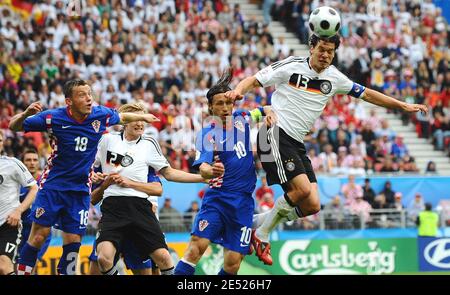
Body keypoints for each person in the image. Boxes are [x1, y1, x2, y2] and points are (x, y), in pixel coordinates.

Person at [225, 33, 428, 265]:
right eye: (321, 49)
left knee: (312, 205)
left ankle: (254, 223)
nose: (325, 55)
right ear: (311, 47)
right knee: (300, 190)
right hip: (273, 134)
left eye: (330, 51)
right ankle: (261, 235)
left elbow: (368, 94)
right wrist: (238, 91)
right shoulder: (291, 66)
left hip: (296, 143)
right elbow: (254, 79)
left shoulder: (335, 78)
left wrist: (402, 105)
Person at [8, 79, 159, 275]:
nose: (89, 99)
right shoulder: (53, 117)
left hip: (80, 191)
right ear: (69, 101)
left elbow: (122, 116)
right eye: (82, 95)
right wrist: (27, 114)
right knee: (38, 236)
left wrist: (145, 116)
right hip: (53, 186)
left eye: (90, 94)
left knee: (73, 242)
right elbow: (14, 126)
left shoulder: (100, 115)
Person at [174, 68, 272, 275]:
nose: (226, 108)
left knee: (233, 264)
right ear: (211, 107)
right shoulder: (207, 134)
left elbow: (262, 110)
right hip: (218, 200)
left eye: (228, 102)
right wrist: (211, 171)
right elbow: (203, 166)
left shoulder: (242, 117)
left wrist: (269, 112)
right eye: (220, 103)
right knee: (195, 248)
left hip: (244, 202)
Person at [92, 102, 207, 275]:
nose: (140, 123)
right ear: (125, 121)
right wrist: (92, 175)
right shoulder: (107, 140)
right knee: (103, 258)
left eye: (142, 119)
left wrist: (203, 178)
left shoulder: (149, 143)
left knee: (164, 258)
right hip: (113, 208)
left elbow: (168, 173)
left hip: (140, 207)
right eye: (136, 119)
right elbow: (89, 167)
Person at [88, 167, 162, 275]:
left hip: (138, 228)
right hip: (111, 225)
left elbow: (153, 206)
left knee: (152, 269)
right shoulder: (105, 165)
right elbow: (92, 199)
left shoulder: (144, 168)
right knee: (98, 267)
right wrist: (105, 184)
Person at [0, 131, 38, 275]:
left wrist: (18, 211)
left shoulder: (12, 163)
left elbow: (34, 188)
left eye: (0, 140)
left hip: (8, 225)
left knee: (4, 266)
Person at [17, 149, 52, 273]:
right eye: (28, 160)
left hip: (40, 233)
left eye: (35, 160)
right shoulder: (16, 183)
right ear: (22, 163)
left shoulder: (47, 182)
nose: (32, 163)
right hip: (19, 234)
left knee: (30, 268)